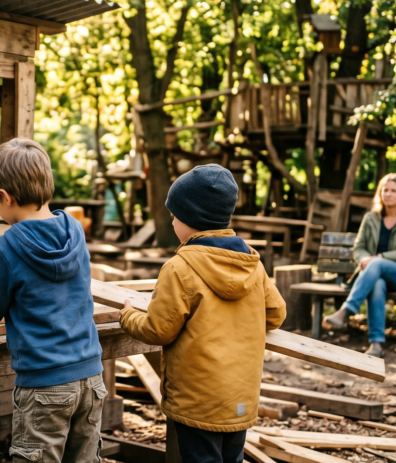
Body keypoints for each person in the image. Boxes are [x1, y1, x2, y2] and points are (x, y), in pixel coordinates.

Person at [118, 164, 286, 463]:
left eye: (174, 216)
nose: (171, 223)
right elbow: (275, 314)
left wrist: (128, 315)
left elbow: (158, 330)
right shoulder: (252, 264)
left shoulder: (179, 268)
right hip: (239, 400)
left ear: (192, 218)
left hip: (196, 403)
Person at [0, 138, 106, 463]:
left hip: (45, 386)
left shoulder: (7, 246)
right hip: (91, 377)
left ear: (5, 197)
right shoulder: (75, 231)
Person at [323, 173, 396, 357]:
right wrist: (365, 258)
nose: (388, 194)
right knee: (377, 283)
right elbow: (359, 248)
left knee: (377, 264)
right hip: (375, 275)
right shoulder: (371, 218)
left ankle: (346, 310)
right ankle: (376, 345)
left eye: (393, 190)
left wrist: (379, 257)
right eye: (385, 190)